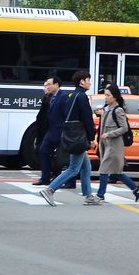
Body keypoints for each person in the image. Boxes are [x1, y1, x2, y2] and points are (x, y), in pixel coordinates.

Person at [39, 70, 97, 206]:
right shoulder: (82, 97)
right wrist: (92, 137)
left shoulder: (71, 95)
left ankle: (88, 196)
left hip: (71, 134)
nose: (90, 83)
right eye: (88, 80)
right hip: (78, 136)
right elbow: (87, 119)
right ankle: (49, 190)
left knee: (86, 166)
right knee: (73, 168)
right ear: (82, 82)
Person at [93, 84, 139, 204]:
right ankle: (135, 188)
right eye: (105, 95)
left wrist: (109, 134)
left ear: (115, 97)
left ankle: (100, 195)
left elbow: (124, 128)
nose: (106, 97)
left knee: (104, 169)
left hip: (114, 146)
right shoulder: (106, 110)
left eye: (108, 95)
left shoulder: (118, 110)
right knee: (116, 172)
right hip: (106, 145)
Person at [32, 76, 63, 186]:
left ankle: (57, 177)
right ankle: (45, 177)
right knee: (43, 151)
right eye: (46, 85)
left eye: (49, 84)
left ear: (57, 85)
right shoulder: (49, 97)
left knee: (59, 156)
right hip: (48, 131)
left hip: (58, 131)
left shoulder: (62, 97)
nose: (47, 87)